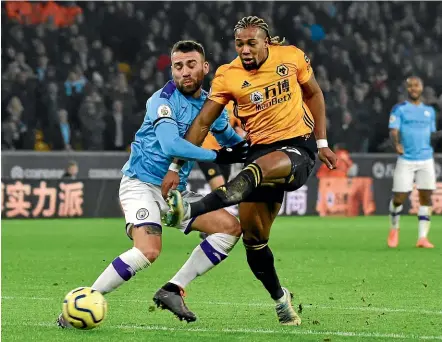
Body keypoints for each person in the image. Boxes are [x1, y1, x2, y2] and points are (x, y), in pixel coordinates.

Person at [57, 40, 247, 327]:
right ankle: (82, 303)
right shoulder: (162, 100)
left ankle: (173, 289)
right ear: (171, 69)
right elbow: (171, 144)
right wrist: (217, 154)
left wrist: (256, 150)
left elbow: (234, 143)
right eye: (178, 66)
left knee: (230, 229)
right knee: (149, 250)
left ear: (205, 68)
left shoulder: (211, 106)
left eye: (191, 65)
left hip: (175, 194)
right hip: (141, 185)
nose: (184, 71)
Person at [161, 16, 337, 326]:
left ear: (266, 42)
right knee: (254, 239)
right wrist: (177, 163)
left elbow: (314, 94)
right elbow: (202, 123)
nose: (244, 49)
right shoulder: (227, 76)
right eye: (239, 44)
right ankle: (281, 300)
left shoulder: (291, 57)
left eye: (251, 43)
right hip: (259, 151)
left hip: (298, 148)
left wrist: (322, 142)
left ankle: (194, 207)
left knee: (260, 168)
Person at [387, 76, 438, 249]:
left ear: (422, 88)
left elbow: (431, 134)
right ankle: (394, 228)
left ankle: (422, 238)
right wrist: (396, 144)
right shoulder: (399, 109)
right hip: (406, 158)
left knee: (426, 197)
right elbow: (393, 130)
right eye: (410, 86)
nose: (414, 89)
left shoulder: (429, 111)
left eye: (416, 85)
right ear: (407, 89)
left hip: (426, 158)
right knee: (399, 198)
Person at [198, 102, 245, 239]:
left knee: (220, 192)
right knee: (218, 186)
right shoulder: (208, 103)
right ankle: (213, 226)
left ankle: (209, 226)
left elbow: (240, 126)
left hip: (225, 153)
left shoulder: (233, 106)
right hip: (206, 151)